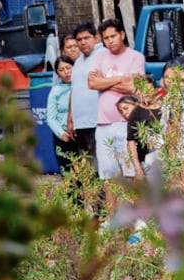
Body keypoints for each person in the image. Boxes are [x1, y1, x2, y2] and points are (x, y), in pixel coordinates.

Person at [88, 19, 146, 179]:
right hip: (103, 124)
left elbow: (132, 87)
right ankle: (112, 206)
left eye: (113, 36)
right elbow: (92, 83)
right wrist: (121, 78)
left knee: (131, 174)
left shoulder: (136, 57)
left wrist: (104, 82)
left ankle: (134, 205)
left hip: (126, 123)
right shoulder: (99, 57)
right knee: (108, 176)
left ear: (122, 34)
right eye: (106, 38)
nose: (110, 41)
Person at [68, 22, 103, 160]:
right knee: (87, 164)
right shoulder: (78, 62)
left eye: (86, 38)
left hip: (98, 121)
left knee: (100, 163)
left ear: (96, 38)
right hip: (81, 122)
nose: (83, 42)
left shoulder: (103, 56)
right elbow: (74, 90)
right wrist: (70, 119)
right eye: (79, 40)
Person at [116, 94, 161, 181]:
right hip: (144, 162)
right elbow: (130, 143)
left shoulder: (152, 115)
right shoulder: (131, 125)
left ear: (136, 105)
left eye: (126, 108)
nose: (124, 113)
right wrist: (138, 169)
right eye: (121, 112)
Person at [46, 55, 76, 172]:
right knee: (68, 173)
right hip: (64, 137)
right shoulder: (55, 91)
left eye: (68, 68)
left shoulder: (82, 87)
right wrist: (62, 134)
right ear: (57, 74)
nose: (66, 72)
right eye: (61, 70)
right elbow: (51, 118)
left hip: (81, 135)